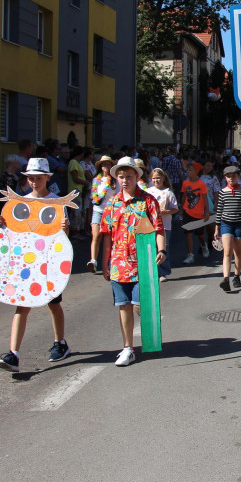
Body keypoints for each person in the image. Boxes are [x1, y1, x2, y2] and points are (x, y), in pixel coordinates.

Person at [0, 158, 76, 373]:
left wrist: (65, 229)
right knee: (22, 305)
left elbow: (62, 238)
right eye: (31, 178)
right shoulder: (20, 202)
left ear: (47, 178)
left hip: (48, 264)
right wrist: (2, 227)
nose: (34, 182)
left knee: (53, 304)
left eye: (38, 178)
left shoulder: (57, 202)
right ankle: (13, 354)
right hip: (27, 264)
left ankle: (60, 343)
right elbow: (12, 234)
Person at [99, 157, 166, 367]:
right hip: (118, 262)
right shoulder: (111, 203)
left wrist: (161, 249)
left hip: (142, 263)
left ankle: (150, 329)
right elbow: (107, 235)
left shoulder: (147, 201)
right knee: (123, 305)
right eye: (121, 176)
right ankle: (128, 347)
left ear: (137, 177)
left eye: (129, 176)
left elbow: (159, 229)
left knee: (139, 305)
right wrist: (105, 262)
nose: (125, 180)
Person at [215, 165, 241, 292]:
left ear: (238, 177)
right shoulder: (222, 192)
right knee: (227, 252)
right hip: (226, 224)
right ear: (225, 178)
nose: (231, 178)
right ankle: (226, 278)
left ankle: (236, 276)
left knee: (238, 252)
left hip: (240, 224)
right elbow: (219, 211)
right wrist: (217, 228)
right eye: (228, 176)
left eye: (233, 176)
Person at [145, 168, 179, 282]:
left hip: (164, 225)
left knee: (163, 248)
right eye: (154, 178)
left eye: (158, 178)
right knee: (151, 248)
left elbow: (175, 209)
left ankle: (163, 272)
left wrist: (166, 212)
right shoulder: (148, 192)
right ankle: (152, 271)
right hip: (150, 225)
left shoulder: (168, 192)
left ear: (163, 178)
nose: (156, 180)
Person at [87, 156, 117, 272]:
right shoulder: (96, 180)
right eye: (104, 164)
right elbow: (92, 198)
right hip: (97, 210)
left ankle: (109, 262)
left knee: (109, 237)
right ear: (101, 167)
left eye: (109, 164)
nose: (106, 167)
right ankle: (93, 261)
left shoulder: (114, 180)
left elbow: (118, 195)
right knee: (96, 236)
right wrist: (90, 214)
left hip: (110, 211)